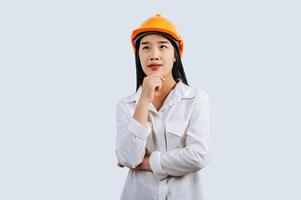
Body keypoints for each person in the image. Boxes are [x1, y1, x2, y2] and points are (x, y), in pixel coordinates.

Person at [115, 13, 211, 200]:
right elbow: (128, 158)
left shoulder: (196, 99)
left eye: (163, 46)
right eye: (146, 47)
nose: (154, 55)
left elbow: (199, 156)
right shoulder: (126, 105)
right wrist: (144, 100)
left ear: (175, 54)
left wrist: (147, 162)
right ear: (138, 55)